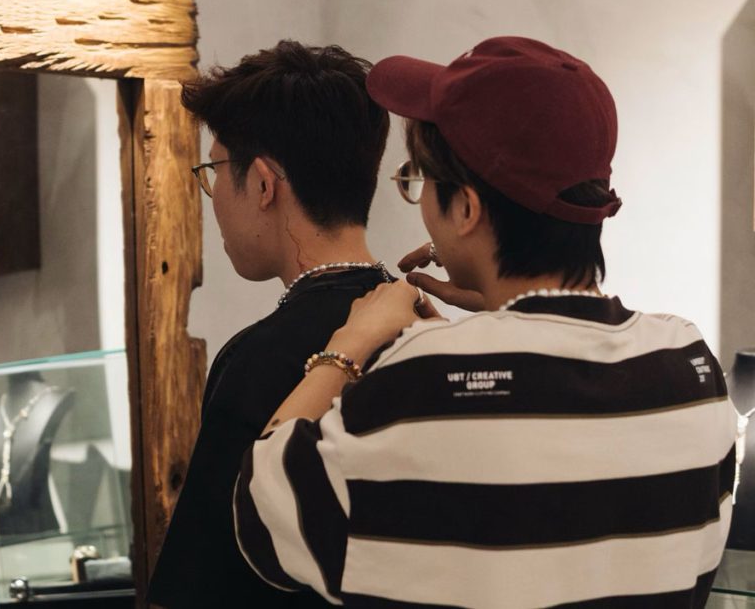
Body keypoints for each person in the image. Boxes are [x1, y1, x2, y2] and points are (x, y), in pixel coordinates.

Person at [233, 36, 738, 607]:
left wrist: (349, 346)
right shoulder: (689, 366)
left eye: (418, 179)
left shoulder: (422, 374)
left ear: (467, 209)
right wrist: (503, 320)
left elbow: (262, 513)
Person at [147, 40, 397, 608]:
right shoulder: (424, 327)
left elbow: (198, 586)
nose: (213, 196)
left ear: (263, 184)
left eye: (214, 170)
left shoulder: (257, 361)